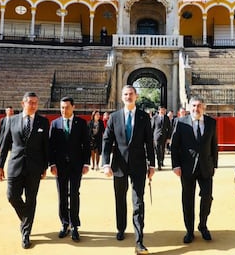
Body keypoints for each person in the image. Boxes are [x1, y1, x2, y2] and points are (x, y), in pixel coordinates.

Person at [102, 85, 155, 255]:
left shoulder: (144, 117)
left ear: (136, 96)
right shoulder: (114, 117)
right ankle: (121, 228)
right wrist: (105, 163)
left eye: (131, 94)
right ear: (121, 97)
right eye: (125, 94)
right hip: (119, 165)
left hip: (139, 165)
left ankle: (139, 240)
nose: (128, 96)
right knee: (120, 199)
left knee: (138, 201)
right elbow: (107, 141)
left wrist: (152, 164)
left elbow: (149, 142)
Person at [0, 92, 49, 249]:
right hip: (15, 165)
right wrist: (0, 166)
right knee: (12, 196)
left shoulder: (43, 122)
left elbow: (46, 146)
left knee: (31, 199)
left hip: (34, 167)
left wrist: (45, 167)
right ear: (23, 103)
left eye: (36, 103)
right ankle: (26, 219)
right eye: (30, 102)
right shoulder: (11, 121)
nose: (33, 105)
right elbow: (5, 145)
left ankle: (25, 233)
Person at [170, 96, 218, 244]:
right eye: (193, 106)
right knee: (187, 200)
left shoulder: (211, 122)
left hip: (206, 167)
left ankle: (203, 225)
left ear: (203, 107)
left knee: (207, 197)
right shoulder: (180, 122)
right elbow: (174, 146)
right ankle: (189, 231)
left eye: (199, 106)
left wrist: (214, 165)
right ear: (189, 107)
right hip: (186, 168)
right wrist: (175, 165)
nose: (196, 109)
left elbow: (213, 145)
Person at [49, 96, 91, 242]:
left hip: (76, 165)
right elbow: (51, 147)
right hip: (60, 166)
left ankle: (74, 225)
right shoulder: (55, 124)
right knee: (61, 194)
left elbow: (86, 144)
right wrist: (52, 164)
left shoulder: (81, 123)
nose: (64, 110)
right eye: (61, 107)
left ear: (73, 107)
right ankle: (64, 223)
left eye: (66, 107)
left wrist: (86, 163)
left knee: (74, 194)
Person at [152, 105, 170, 170]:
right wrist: (151, 137)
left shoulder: (167, 118)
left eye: (164, 110)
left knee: (162, 149)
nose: (163, 111)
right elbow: (152, 128)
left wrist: (168, 137)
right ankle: (159, 164)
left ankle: (162, 161)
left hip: (164, 136)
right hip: (156, 136)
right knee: (157, 150)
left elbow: (169, 128)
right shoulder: (155, 118)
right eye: (161, 110)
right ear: (159, 110)